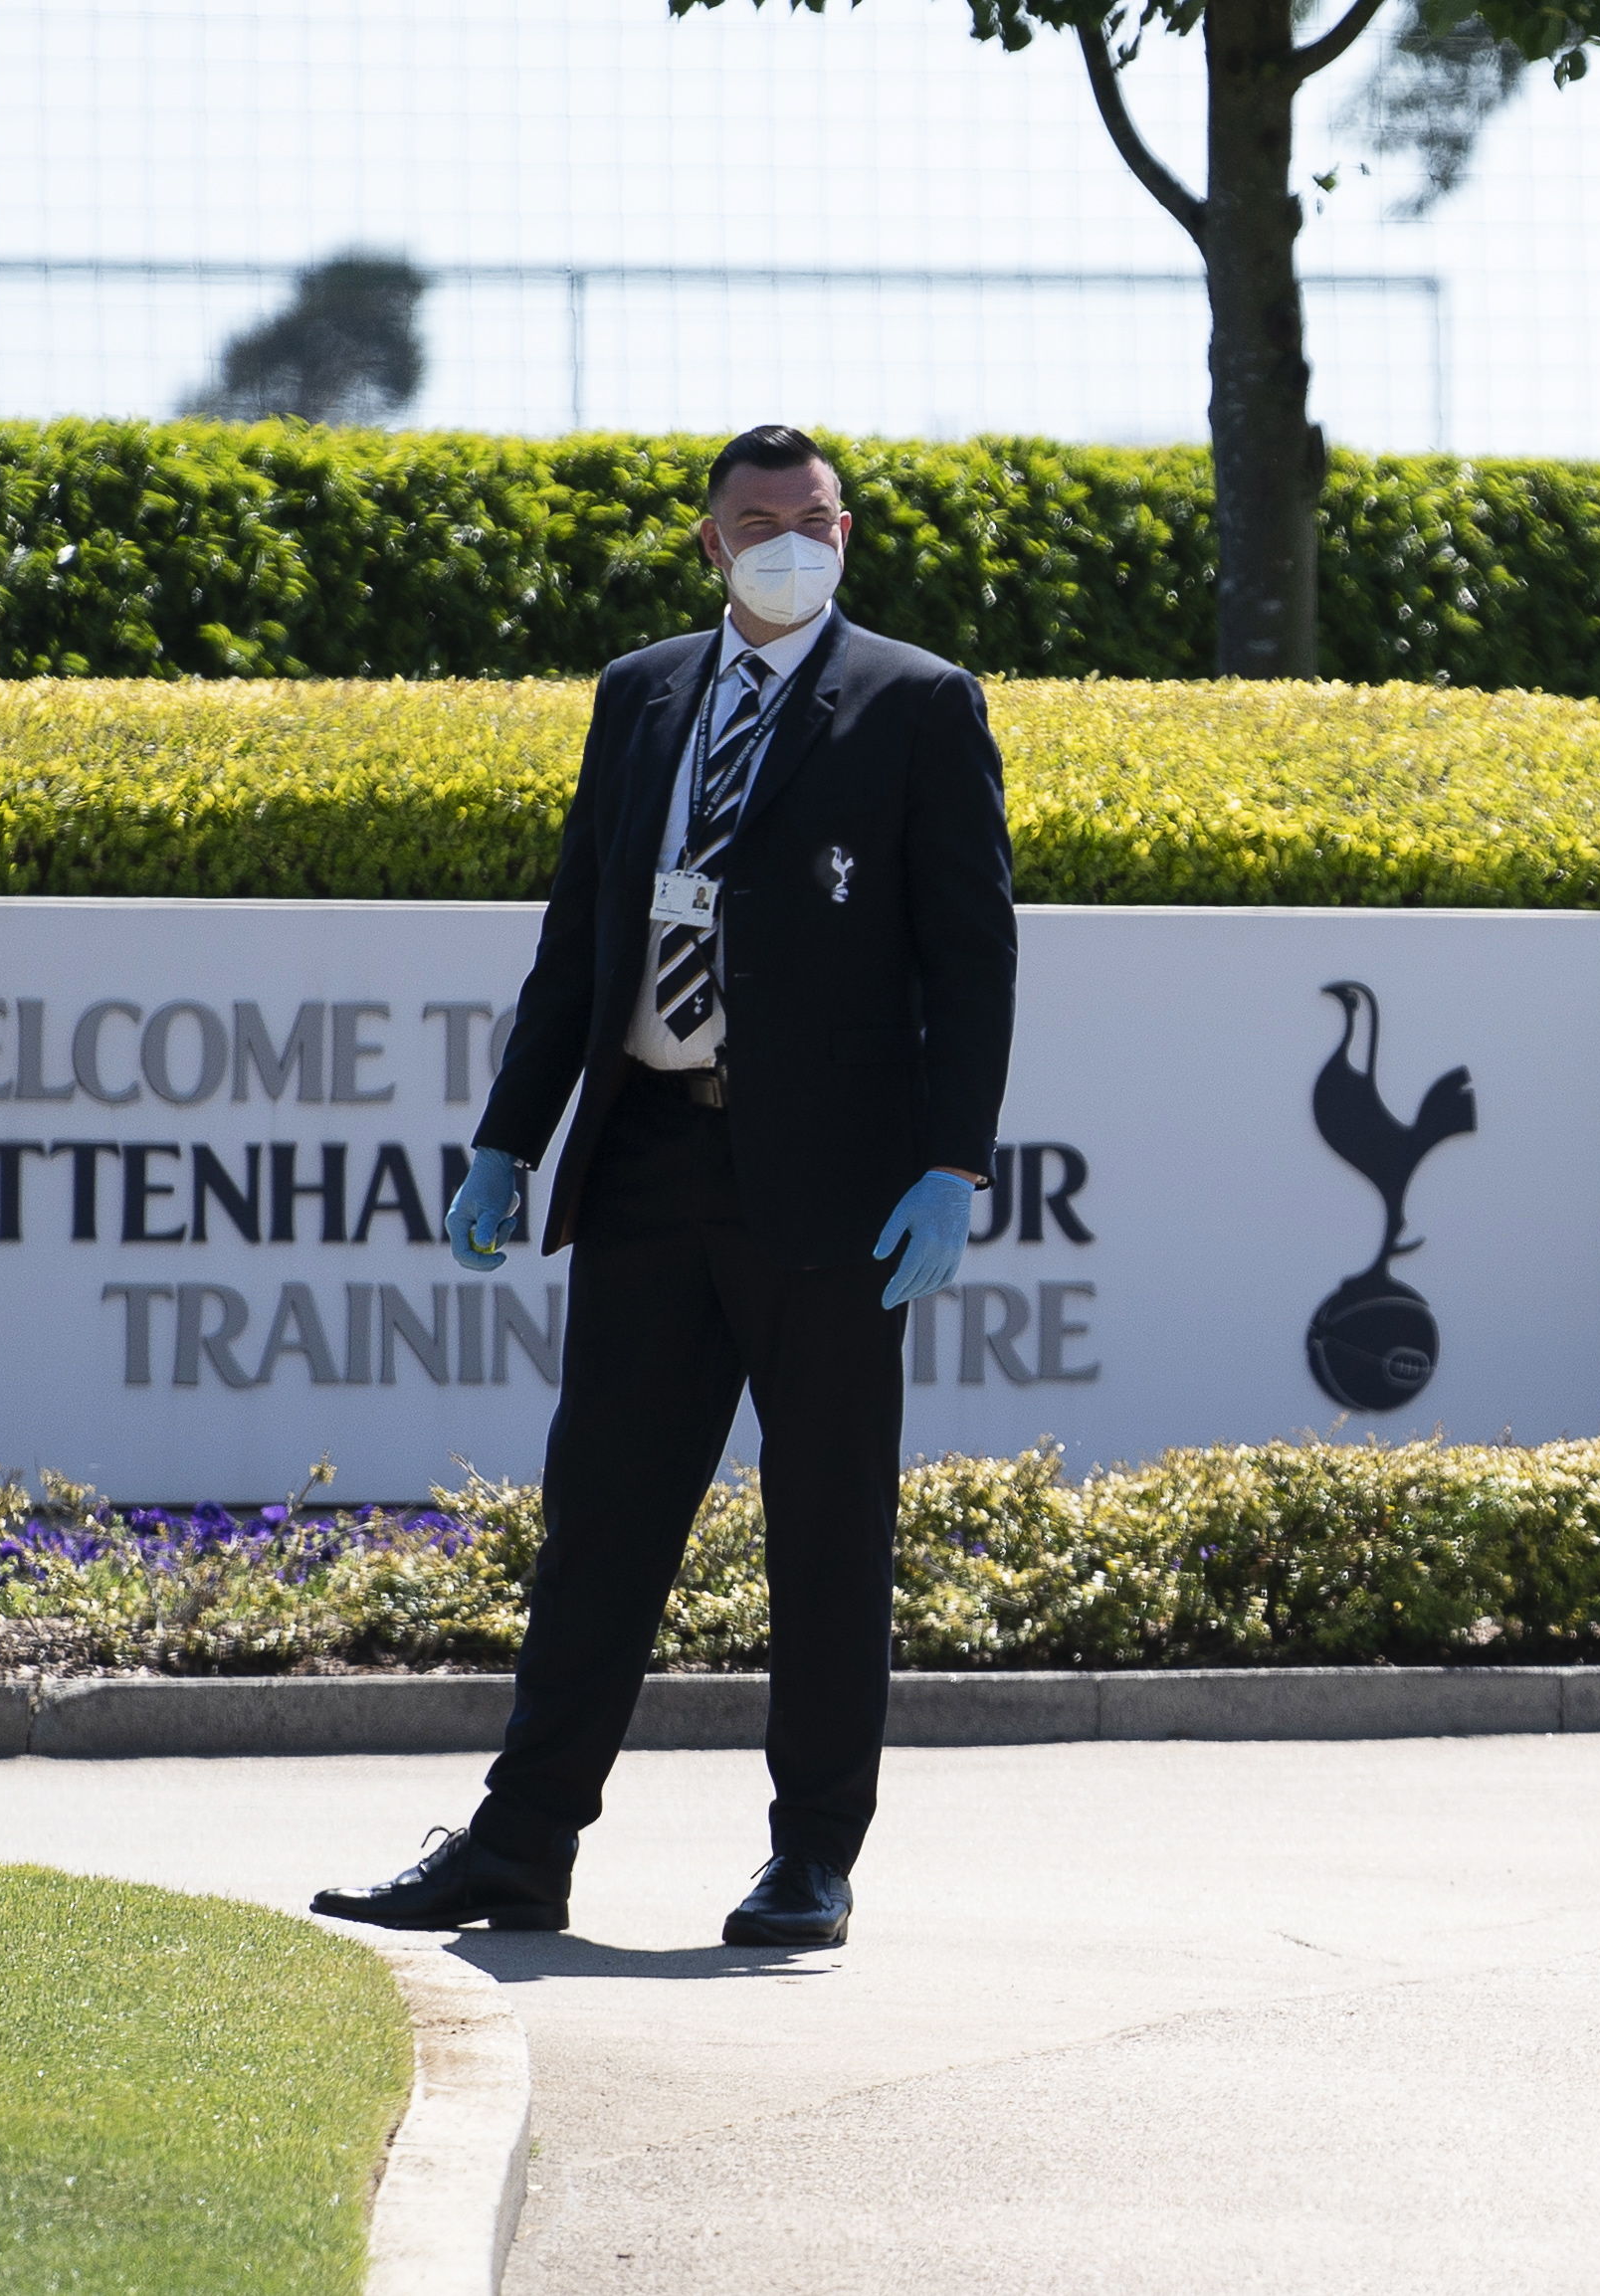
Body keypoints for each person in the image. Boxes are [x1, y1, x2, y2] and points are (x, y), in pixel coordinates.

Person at [315, 425, 1014, 1949]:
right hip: (645, 1161)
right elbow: (581, 935)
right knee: (602, 1523)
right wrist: (509, 1137)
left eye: (813, 521)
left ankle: (810, 1857)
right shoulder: (640, 697)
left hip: (832, 1192)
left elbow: (970, 959)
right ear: (708, 542)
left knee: (825, 1529)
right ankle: (517, 1851)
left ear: (844, 538)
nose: (787, 542)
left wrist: (954, 1163)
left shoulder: (916, 704)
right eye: (757, 520)